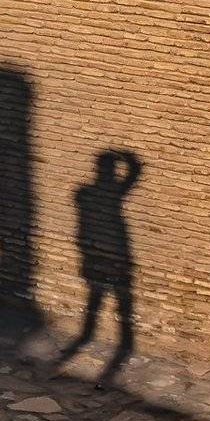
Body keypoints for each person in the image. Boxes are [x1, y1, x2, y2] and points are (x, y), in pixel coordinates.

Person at [59, 149, 143, 385]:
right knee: (115, 302)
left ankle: (89, 338)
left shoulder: (86, 194)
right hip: (111, 255)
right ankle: (120, 343)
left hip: (99, 255)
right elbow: (134, 172)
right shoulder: (105, 193)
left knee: (99, 299)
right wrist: (126, 157)